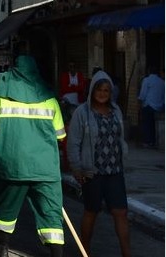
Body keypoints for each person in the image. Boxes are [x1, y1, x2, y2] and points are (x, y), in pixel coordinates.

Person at [0, 55, 65, 257]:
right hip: (45, 168)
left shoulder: (0, 100)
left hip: (14, 165)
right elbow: (60, 135)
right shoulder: (50, 100)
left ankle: (2, 250)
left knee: (6, 210)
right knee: (51, 214)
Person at [67, 70, 131, 257]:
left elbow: (120, 138)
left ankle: (127, 254)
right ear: (92, 91)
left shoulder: (116, 110)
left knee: (121, 212)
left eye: (106, 90)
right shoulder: (82, 112)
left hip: (115, 171)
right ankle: (84, 251)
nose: (103, 93)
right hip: (92, 173)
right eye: (99, 89)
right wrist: (76, 168)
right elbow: (74, 142)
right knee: (91, 211)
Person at [138, 66, 165, 148]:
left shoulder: (146, 80)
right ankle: (153, 141)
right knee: (153, 125)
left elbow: (143, 95)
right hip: (159, 107)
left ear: (148, 71)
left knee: (147, 124)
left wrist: (140, 100)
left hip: (148, 105)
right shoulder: (162, 82)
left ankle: (147, 141)